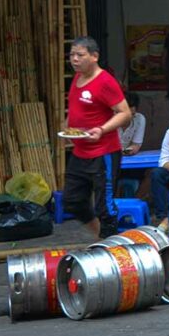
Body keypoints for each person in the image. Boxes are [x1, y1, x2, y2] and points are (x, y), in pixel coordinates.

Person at [62, 37, 132, 238]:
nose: (74, 59)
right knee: (72, 201)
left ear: (94, 56)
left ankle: (110, 245)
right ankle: (100, 236)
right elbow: (76, 108)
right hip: (80, 152)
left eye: (80, 55)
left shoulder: (105, 82)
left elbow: (125, 113)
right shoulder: (77, 78)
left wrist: (102, 129)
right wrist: (67, 126)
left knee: (105, 207)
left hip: (103, 153)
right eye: (72, 55)